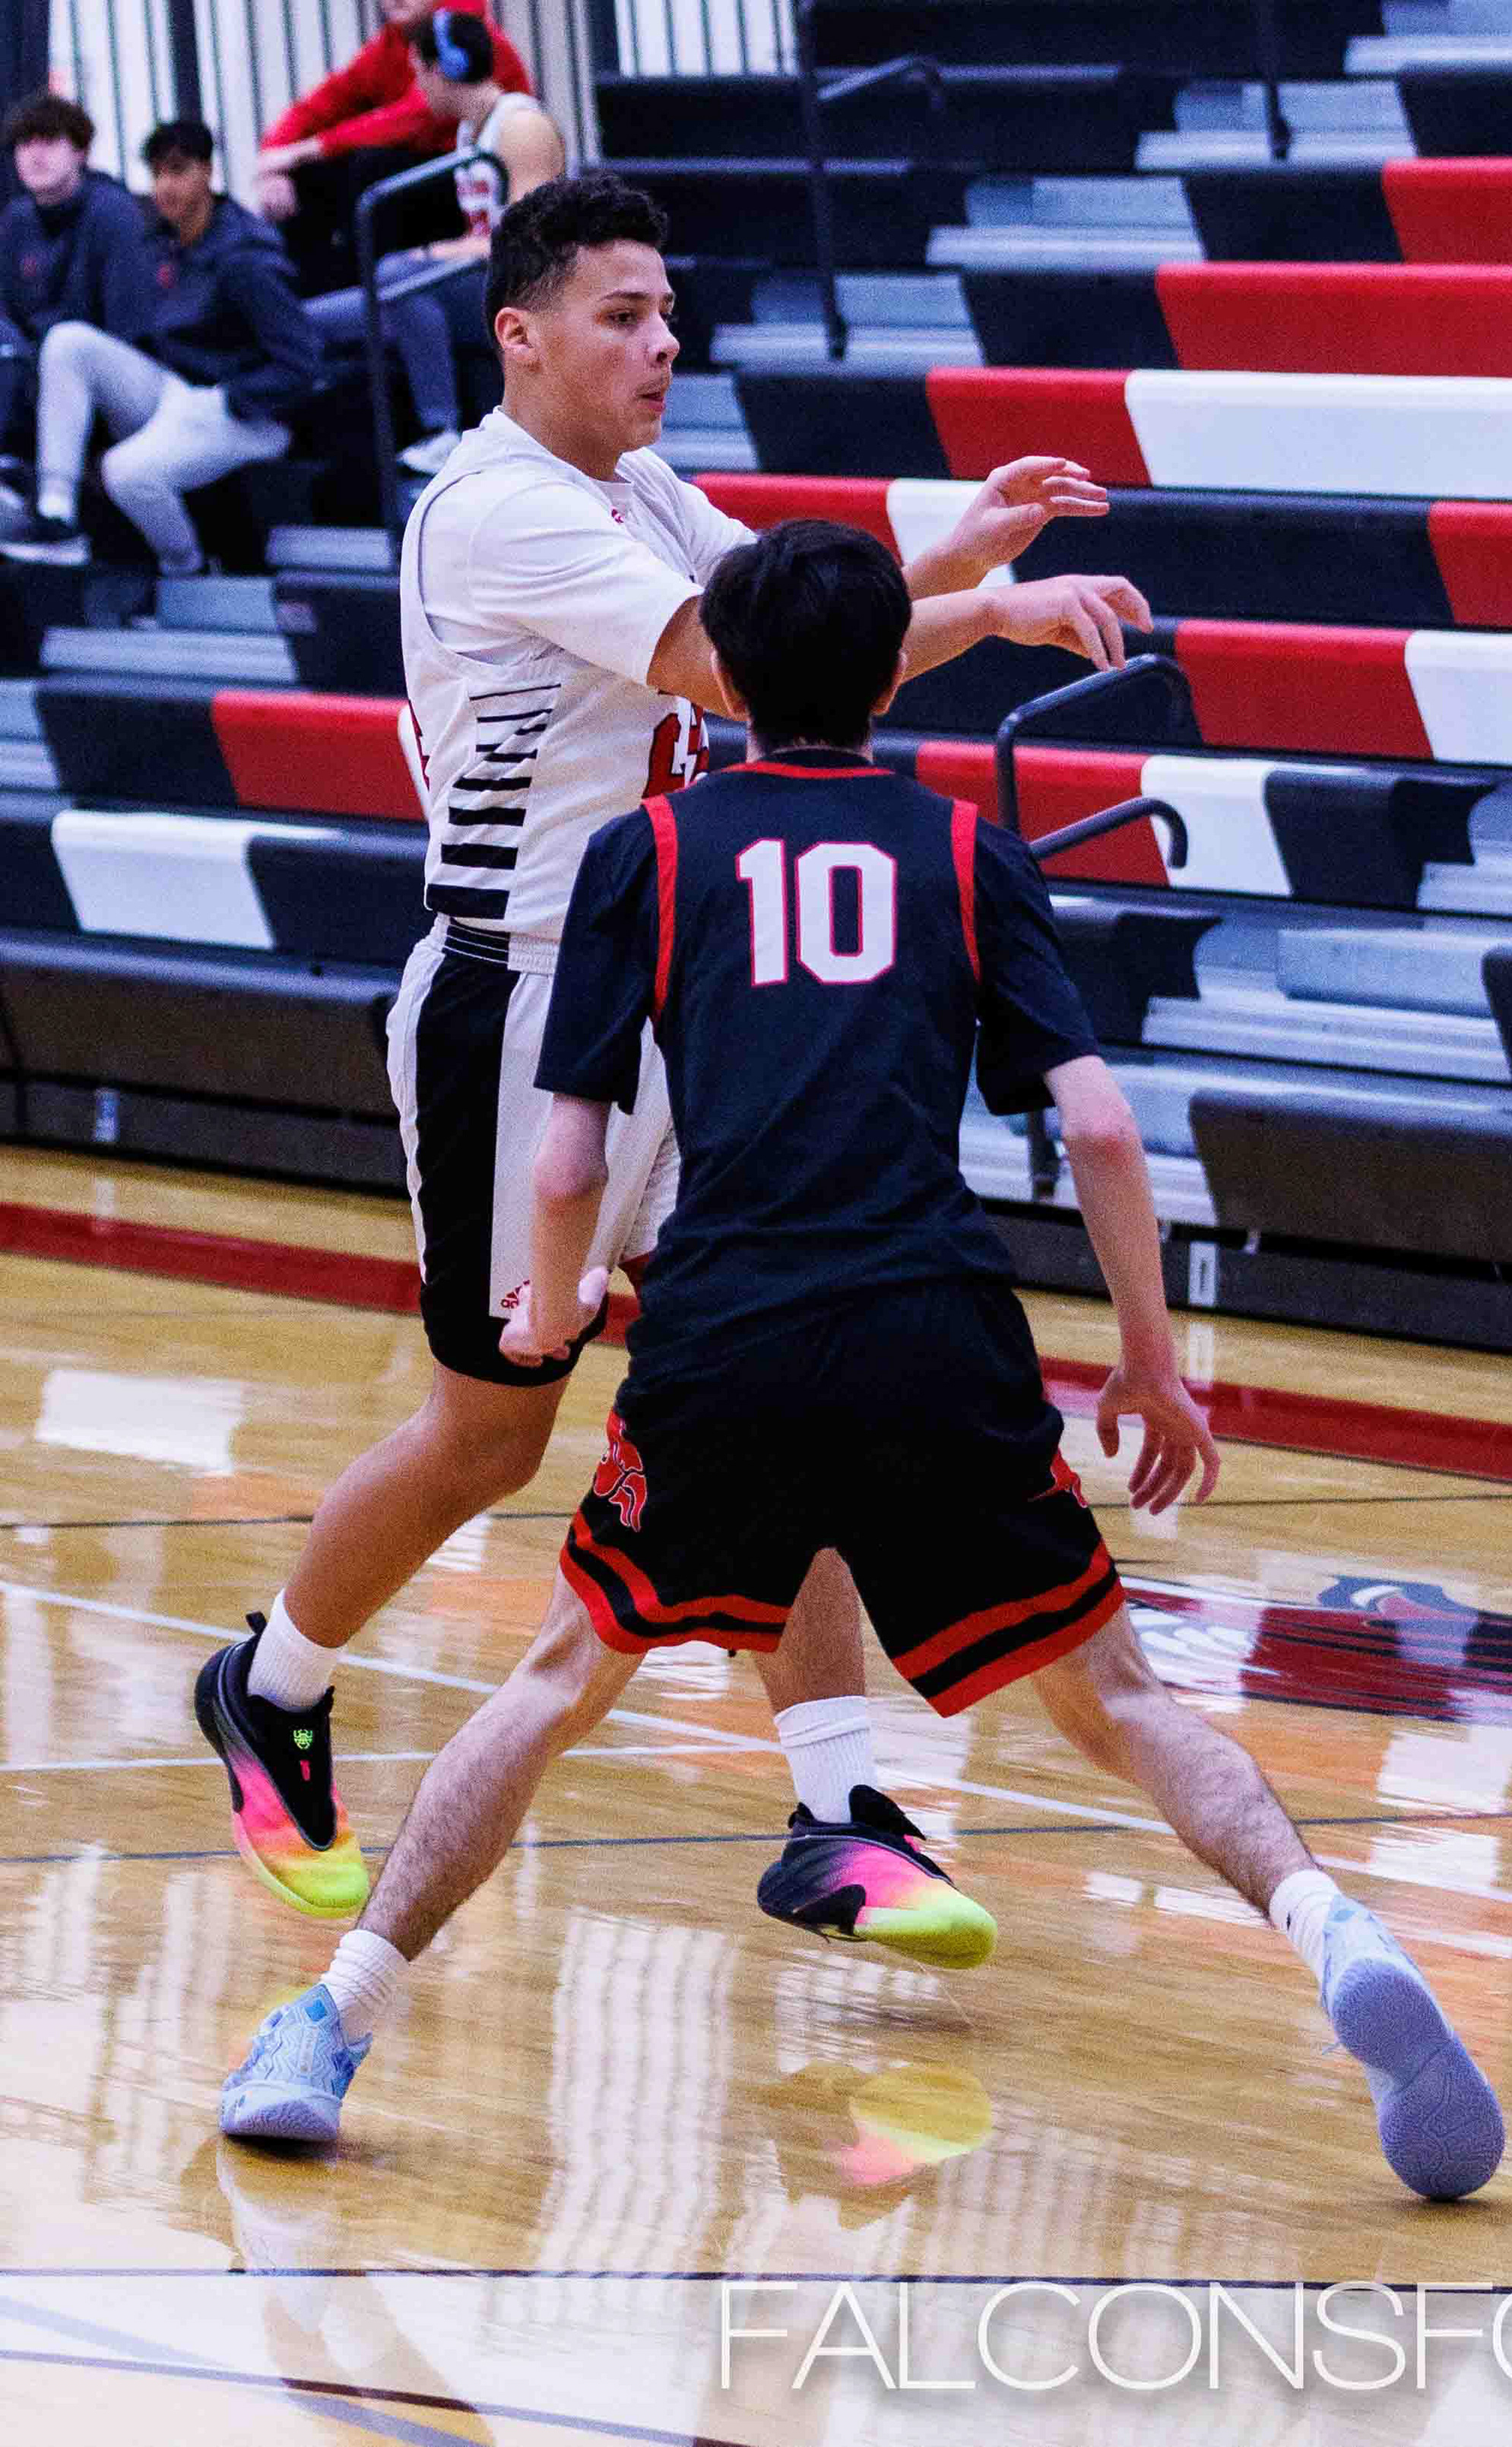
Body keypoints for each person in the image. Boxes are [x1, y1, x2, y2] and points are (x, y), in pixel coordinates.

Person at [217, 516, 1512, 2208]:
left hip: (731, 1326)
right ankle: (1334, 1928)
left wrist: (550, 1304)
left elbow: (568, 1150)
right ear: (891, 674)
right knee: (1120, 1699)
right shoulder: (968, 849)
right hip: (934, 1323)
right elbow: (1103, 1128)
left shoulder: (647, 851)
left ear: (731, 681)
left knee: (555, 1681)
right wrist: (1150, 1363)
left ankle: (330, 2021)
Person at [186, 173, 1149, 1965]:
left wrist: (972, 579)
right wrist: (976, 585)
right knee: (491, 1435)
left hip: (673, 985)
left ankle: (840, 1807)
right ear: (521, 335)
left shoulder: (637, 486)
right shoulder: (497, 508)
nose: (661, 345)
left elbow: (806, 637)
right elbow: (736, 661)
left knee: (782, 1371)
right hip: (517, 1000)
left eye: (670, 315)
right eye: (623, 316)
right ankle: (271, 1683)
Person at [0, 120, 314, 574]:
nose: (164, 186)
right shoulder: (161, 242)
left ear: (207, 172)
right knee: (68, 341)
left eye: (178, 170)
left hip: (246, 412)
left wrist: (229, 398)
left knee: (125, 471)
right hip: (178, 394)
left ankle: (186, 565)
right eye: (157, 173)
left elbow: (301, 364)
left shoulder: (245, 256)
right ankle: (57, 516)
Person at [303, 11, 563, 477]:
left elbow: (528, 241)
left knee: (398, 275)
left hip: (531, 292)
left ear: (446, 67)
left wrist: (430, 256)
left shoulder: (522, 125)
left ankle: (441, 429)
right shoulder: (468, 131)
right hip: (485, 285)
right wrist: (436, 255)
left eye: (418, 73)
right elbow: (480, 235)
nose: (417, 88)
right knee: (313, 319)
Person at [252, 0, 530, 293]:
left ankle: (366, 299)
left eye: (422, 72)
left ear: (444, 68)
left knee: (372, 169)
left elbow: (413, 116)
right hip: (456, 193)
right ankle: (303, 298)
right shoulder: (390, 44)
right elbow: (324, 102)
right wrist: (274, 160)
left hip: (457, 194)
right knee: (313, 177)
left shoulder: (466, 35)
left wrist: (303, 151)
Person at [0, 92, 153, 486]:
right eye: (25, 144)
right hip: (30, 376)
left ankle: (51, 494)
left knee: (66, 344)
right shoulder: (17, 219)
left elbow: (129, 328)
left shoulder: (113, 213)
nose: (35, 155)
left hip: (102, 382)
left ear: (81, 151)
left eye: (49, 141)